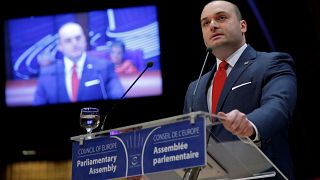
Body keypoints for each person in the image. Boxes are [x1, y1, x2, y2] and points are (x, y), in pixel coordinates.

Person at [183, 0, 297, 179]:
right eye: (206, 23)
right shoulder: (194, 88)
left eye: (221, 18)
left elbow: (278, 107)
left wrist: (250, 125)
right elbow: (188, 143)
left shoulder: (272, 63)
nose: (212, 25)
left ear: (242, 26)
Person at [33, 22, 124, 105]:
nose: (74, 43)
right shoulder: (47, 74)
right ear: (60, 46)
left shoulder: (104, 67)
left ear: (85, 40)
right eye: (68, 40)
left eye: (78, 38)